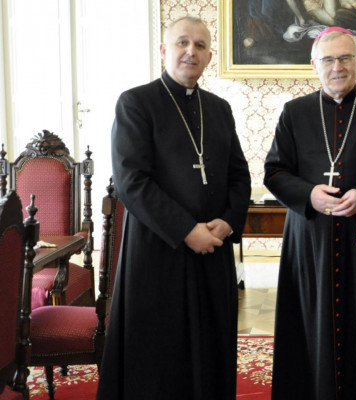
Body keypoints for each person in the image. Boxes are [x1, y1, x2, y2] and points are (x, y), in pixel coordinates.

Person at [97, 15, 251, 399]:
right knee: (158, 349)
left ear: (210, 55)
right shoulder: (135, 102)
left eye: (200, 46)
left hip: (212, 249)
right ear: (164, 50)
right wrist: (187, 230)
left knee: (211, 343)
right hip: (157, 249)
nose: (190, 52)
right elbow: (131, 181)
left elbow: (239, 174)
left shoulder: (219, 109)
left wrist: (227, 223)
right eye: (182, 43)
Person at [263, 27, 356, 400]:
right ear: (314, 65)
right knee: (310, 321)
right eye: (328, 60)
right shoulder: (294, 112)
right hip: (311, 240)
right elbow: (275, 171)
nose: (337, 67)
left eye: (345, 58)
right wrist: (309, 194)